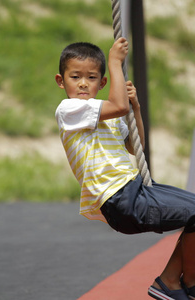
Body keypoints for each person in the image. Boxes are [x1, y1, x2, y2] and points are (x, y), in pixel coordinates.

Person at [55, 37, 195, 300]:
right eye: (75, 77)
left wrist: (136, 110)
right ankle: (184, 283)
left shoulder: (107, 117)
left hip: (134, 189)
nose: (83, 83)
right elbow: (117, 104)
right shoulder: (69, 109)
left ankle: (170, 281)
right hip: (119, 198)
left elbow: (137, 147)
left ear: (102, 83)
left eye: (92, 77)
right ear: (61, 81)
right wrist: (115, 62)